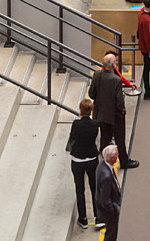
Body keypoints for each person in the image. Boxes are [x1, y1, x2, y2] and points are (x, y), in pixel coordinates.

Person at [90, 53, 138, 171]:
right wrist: (122, 110)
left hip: (101, 112)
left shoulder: (97, 75)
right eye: (115, 62)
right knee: (119, 138)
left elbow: (91, 93)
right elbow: (119, 101)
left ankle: (105, 163)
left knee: (105, 138)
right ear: (112, 65)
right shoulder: (116, 80)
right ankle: (124, 161)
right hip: (115, 115)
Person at [67, 95, 100, 229]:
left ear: (81, 109)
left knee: (80, 188)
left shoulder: (76, 124)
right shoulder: (95, 125)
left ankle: (83, 218)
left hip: (78, 160)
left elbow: (71, 139)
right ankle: (98, 217)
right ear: (91, 110)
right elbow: (96, 140)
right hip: (92, 158)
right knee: (94, 188)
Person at [95, 144, 122, 241]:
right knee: (111, 234)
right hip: (109, 212)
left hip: (108, 208)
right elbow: (105, 201)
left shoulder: (102, 163)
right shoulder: (106, 176)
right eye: (117, 155)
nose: (118, 157)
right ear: (112, 158)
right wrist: (114, 211)